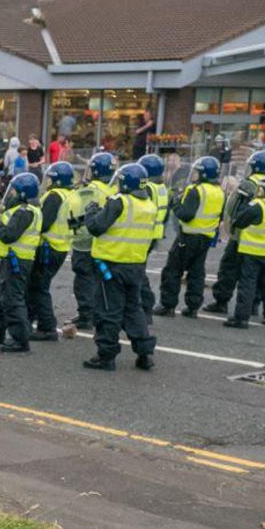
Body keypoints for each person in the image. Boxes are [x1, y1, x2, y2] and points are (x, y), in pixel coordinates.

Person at [82, 162, 157, 372]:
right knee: (134, 310)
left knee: (108, 311)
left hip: (112, 265)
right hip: (135, 265)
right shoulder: (148, 205)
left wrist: (91, 212)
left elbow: (96, 227)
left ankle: (106, 356)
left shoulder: (120, 201)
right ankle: (145, 354)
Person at [0, 172, 41, 353]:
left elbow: (9, 235)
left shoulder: (25, 212)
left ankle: (20, 340)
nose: (10, 195)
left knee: (12, 300)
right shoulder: (21, 211)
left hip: (17, 263)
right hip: (10, 260)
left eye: (14, 192)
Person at [155, 156, 225, 318]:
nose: (193, 174)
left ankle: (168, 305)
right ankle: (193, 306)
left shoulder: (196, 190)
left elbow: (186, 215)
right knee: (197, 272)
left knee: (173, 270)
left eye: (197, 172)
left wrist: (175, 204)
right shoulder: (219, 192)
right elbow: (219, 215)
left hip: (188, 236)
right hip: (206, 237)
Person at [207, 151, 265, 315]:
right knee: (257, 275)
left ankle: (221, 301)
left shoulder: (248, 184)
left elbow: (236, 208)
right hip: (264, 237)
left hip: (242, 236)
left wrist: (231, 226)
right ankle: (253, 305)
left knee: (229, 269)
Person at [224, 174, 265, 329]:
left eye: (262, 188)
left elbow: (240, 220)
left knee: (247, 284)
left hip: (253, 250)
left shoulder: (259, 206)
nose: (259, 191)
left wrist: (243, 202)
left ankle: (241, 318)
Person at [29, 162, 77, 341]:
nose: (47, 182)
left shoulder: (55, 196)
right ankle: (32, 318)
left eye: (50, 178)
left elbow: (44, 222)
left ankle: (47, 327)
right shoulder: (71, 195)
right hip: (62, 246)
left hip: (49, 247)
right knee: (38, 285)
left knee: (39, 287)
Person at [70, 152, 117, 330]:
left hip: (86, 240)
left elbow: (79, 215)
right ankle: (97, 313)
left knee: (84, 279)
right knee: (99, 279)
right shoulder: (112, 189)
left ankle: (86, 315)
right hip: (104, 242)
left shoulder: (90, 190)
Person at [138, 153, 169, 319]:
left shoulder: (148, 187)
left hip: (144, 235)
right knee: (139, 270)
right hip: (154, 234)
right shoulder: (161, 187)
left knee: (138, 272)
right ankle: (144, 304)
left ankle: (145, 304)